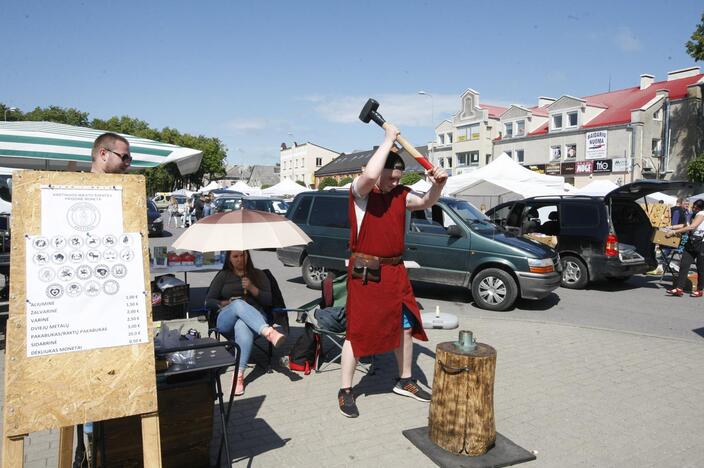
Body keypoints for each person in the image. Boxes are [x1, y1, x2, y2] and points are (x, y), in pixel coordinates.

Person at [338, 124, 448, 418]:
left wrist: (438, 184)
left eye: (398, 178)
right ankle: (346, 389)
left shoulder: (401, 194)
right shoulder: (360, 192)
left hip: (395, 272)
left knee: (405, 325)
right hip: (366, 273)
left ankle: (405, 380)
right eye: (391, 177)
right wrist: (388, 140)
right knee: (358, 331)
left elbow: (426, 201)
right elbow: (372, 175)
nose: (393, 183)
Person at [206, 250, 285, 395]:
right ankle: (268, 332)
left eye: (242, 255)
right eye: (235, 256)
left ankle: (238, 376)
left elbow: (269, 300)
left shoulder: (258, 274)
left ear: (248, 256)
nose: (239, 259)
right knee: (237, 304)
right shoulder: (223, 275)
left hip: (253, 322)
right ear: (229, 259)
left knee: (242, 325)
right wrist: (225, 303)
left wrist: (252, 288)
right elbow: (208, 301)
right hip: (226, 320)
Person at [664, 199, 704, 297]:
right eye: (693, 207)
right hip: (690, 243)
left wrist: (674, 232)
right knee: (684, 265)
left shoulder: (701, 214)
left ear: (701, 208)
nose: (693, 209)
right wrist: (671, 227)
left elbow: (692, 227)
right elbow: (686, 225)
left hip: (701, 244)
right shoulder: (694, 214)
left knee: (701, 268)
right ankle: (679, 288)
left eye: (696, 208)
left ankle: (699, 290)